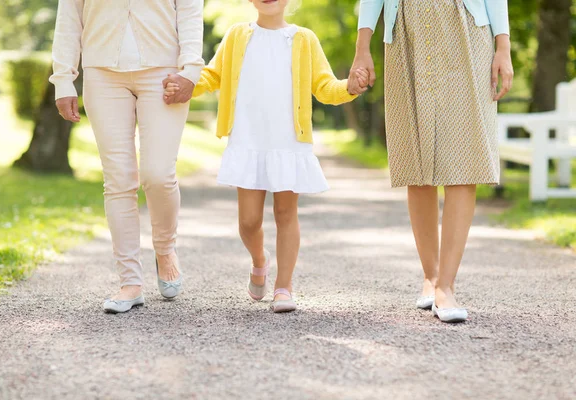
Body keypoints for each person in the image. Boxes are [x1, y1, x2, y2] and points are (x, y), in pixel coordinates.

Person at [164, 0, 368, 312]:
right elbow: (212, 75)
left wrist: (348, 88)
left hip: (288, 142)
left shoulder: (304, 39)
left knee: (286, 213)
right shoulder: (237, 35)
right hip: (248, 140)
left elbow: (324, 87)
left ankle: (283, 287)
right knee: (248, 222)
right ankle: (260, 259)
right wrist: (188, 84)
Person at [349, 0, 514, 322]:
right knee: (416, 163)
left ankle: (446, 287)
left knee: (465, 162)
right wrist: (362, 47)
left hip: (466, 29)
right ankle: (431, 277)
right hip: (406, 32)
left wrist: (503, 46)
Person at [50, 0, 204, 313]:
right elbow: (69, 14)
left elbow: (189, 9)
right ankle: (130, 282)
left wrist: (191, 71)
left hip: (165, 72)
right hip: (102, 74)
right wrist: (63, 78)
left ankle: (164, 249)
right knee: (118, 180)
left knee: (158, 175)